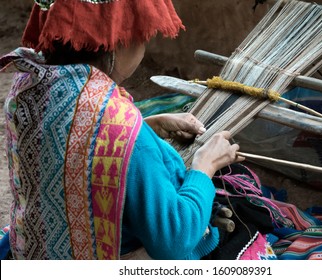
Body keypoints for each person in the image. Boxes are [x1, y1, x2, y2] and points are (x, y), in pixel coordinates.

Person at [0, 0, 244, 260]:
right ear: (118, 39)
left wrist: (149, 124)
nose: (143, 42)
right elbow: (174, 240)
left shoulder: (29, 86)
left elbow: (70, 141)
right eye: (142, 34)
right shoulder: (118, 124)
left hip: (35, 253)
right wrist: (205, 165)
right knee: (243, 211)